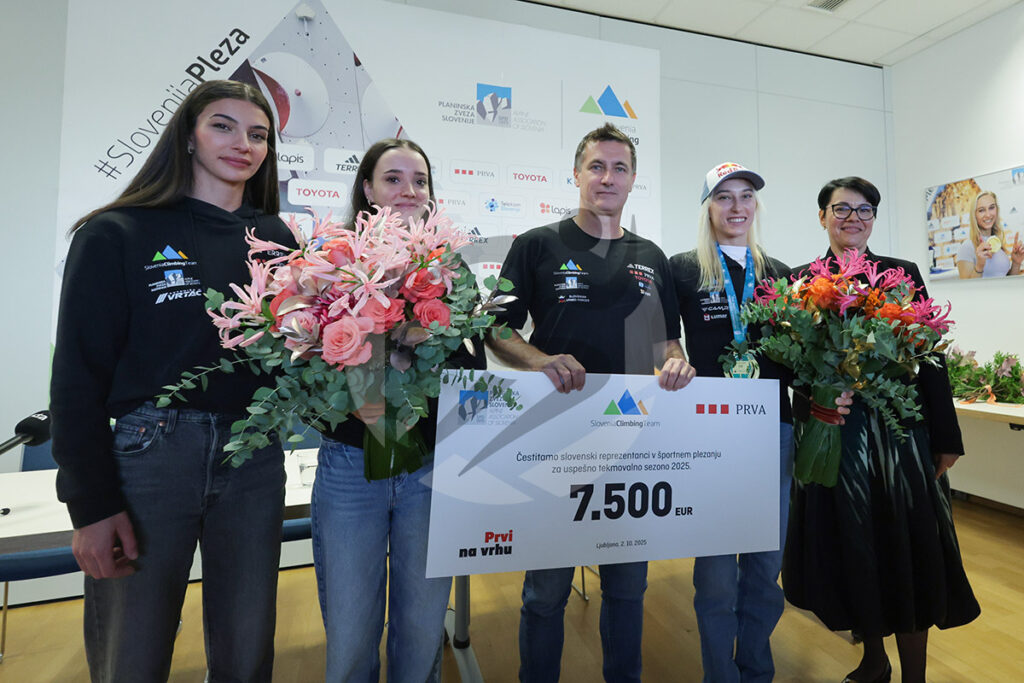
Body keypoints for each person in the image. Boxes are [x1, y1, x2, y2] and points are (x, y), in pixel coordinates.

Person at [50, 80, 294, 682]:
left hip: (255, 456)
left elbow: (291, 360)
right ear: (187, 135)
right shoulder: (117, 232)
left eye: (257, 134)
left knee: (247, 650)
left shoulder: (278, 240)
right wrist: (91, 504)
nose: (243, 143)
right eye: (222, 126)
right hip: (153, 455)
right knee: (132, 653)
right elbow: (77, 378)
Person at [486, 123, 695, 682]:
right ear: (576, 174)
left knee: (627, 587)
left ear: (633, 179)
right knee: (545, 592)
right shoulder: (537, 245)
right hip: (554, 435)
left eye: (619, 168)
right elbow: (496, 329)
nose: (607, 178)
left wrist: (676, 361)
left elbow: (666, 340)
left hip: (631, 440)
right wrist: (539, 360)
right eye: (596, 166)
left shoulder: (651, 255)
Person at [783, 177, 981, 683]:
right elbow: (791, 368)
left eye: (864, 209)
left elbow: (930, 356)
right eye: (841, 209)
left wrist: (947, 438)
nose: (853, 218)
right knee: (854, 547)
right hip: (836, 438)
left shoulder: (901, 274)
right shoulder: (800, 282)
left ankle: (915, 675)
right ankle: (874, 659)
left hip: (901, 437)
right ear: (822, 216)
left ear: (874, 217)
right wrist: (813, 404)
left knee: (909, 548)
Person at [310, 138, 484, 682]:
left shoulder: (450, 268)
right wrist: (380, 346)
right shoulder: (333, 261)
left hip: (428, 469)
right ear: (367, 189)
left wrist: (416, 343)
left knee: (422, 628)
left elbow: (471, 364)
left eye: (420, 180)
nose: (409, 190)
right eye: (393, 178)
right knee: (350, 632)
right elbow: (310, 368)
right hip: (350, 466)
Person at [668, 163, 794, 682]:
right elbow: (663, 337)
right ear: (708, 207)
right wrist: (673, 358)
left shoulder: (780, 273)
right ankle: (719, 673)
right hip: (711, 431)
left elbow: (795, 353)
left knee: (765, 568)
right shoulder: (682, 269)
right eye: (723, 196)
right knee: (718, 573)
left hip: (773, 431)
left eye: (745, 196)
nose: (736, 206)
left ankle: (756, 669)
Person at [955, 190, 1024, 278]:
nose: (988, 215)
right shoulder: (967, 247)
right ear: (974, 215)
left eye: (991, 208)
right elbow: (966, 286)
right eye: (981, 210)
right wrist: (979, 266)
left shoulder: (997, 244)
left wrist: (1016, 263)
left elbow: (1005, 281)